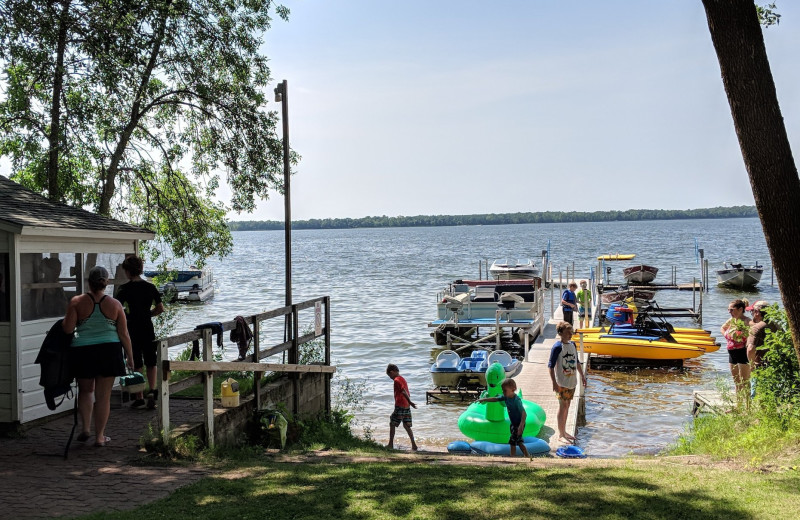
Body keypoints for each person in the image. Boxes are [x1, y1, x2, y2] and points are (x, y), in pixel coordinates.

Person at [62, 266, 134, 447]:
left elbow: (68, 329)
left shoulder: (77, 302)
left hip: (83, 351)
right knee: (104, 396)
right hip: (109, 351)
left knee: (86, 391)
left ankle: (85, 428)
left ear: (88, 282)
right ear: (106, 282)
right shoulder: (115, 304)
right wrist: (131, 358)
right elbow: (124, 334)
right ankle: (100, 437)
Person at [115, 256, 164, 409]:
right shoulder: (150, 287)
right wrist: (149, 314)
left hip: (132, 328)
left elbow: (116, 309)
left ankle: (139, 395)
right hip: (147, 327)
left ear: (128, 271)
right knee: (151, 361)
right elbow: (160, 308)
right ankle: (152, 391)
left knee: (136, 362)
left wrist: (126, 317)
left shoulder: (124, 289)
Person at [548, 321, 587, 444]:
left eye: (571, 332)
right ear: (561, 333)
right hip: (561, 382)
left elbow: (577, 362)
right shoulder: (557, 347)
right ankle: (561, 434)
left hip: (572, 382)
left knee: (568, 406)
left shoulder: (573, 345)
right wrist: (554, 383)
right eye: (568, 332)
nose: (570, 334)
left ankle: (564, 431)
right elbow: (550, 366)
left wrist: (582, 376)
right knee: (562, 406)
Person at [478, 378, 531, 459]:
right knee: (517, 442)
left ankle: (516, 456)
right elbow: (495, 399)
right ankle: (524, 456)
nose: (503, 392)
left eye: (505, 390)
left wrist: (521, 425)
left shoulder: (516, 400)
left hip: (519, 424)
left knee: (514, 441)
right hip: (513, 424)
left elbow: (524, 413)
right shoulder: (506, 397)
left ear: (513, 389)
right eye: (502, 390)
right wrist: (485, 399)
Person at [721, 298, 752, 400]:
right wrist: (726, 335)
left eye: (732, 310)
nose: (729, 312)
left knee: (745, 381)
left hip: (743, 352)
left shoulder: (747, 321)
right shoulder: (732, 321)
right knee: (736, 381)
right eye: (728, 310)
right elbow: (722, 328)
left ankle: (748, 408)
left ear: (740, 309)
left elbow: (755, 330)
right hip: (732, 353)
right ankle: (738, 407)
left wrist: (746, 338)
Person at [386, 363, 418, 451]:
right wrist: (409, 403)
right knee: (406, 425)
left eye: (390, 376)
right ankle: (414, 445)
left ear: (392, 372)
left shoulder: (396, 380)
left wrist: (410, 402)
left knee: (392, 422)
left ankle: (390, 444)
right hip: (406, 405)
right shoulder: (402, 378)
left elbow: (404, 391)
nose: (390, 378)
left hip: (400, 405)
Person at [746, 300, 775, 398]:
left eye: (753, 311)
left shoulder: (756, 328)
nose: (752, 314)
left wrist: (751, 365)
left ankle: (756, 411)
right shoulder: (775, 325)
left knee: (756, 393)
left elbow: (750, 349)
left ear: (757, 312)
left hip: (759, 365)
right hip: (774, 364)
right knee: (770, 394)